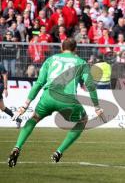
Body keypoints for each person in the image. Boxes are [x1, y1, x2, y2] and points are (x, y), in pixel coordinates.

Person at [8, 38, 103, 167]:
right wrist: (97, 107)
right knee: (83, 120)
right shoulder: (81, 62)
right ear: (75, 49)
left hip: (48, 97)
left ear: (61, 47)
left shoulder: (51, 60)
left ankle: (17, 147)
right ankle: (59, 151)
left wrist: (25, 105)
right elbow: (90, 85)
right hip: (68, 100)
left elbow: (39, 83)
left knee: (34, 118)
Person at [0, 63, 22, 128]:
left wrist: (5, 88)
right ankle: (18, 120)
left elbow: (5, 75)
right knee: (2, 108)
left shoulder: (0, 65)